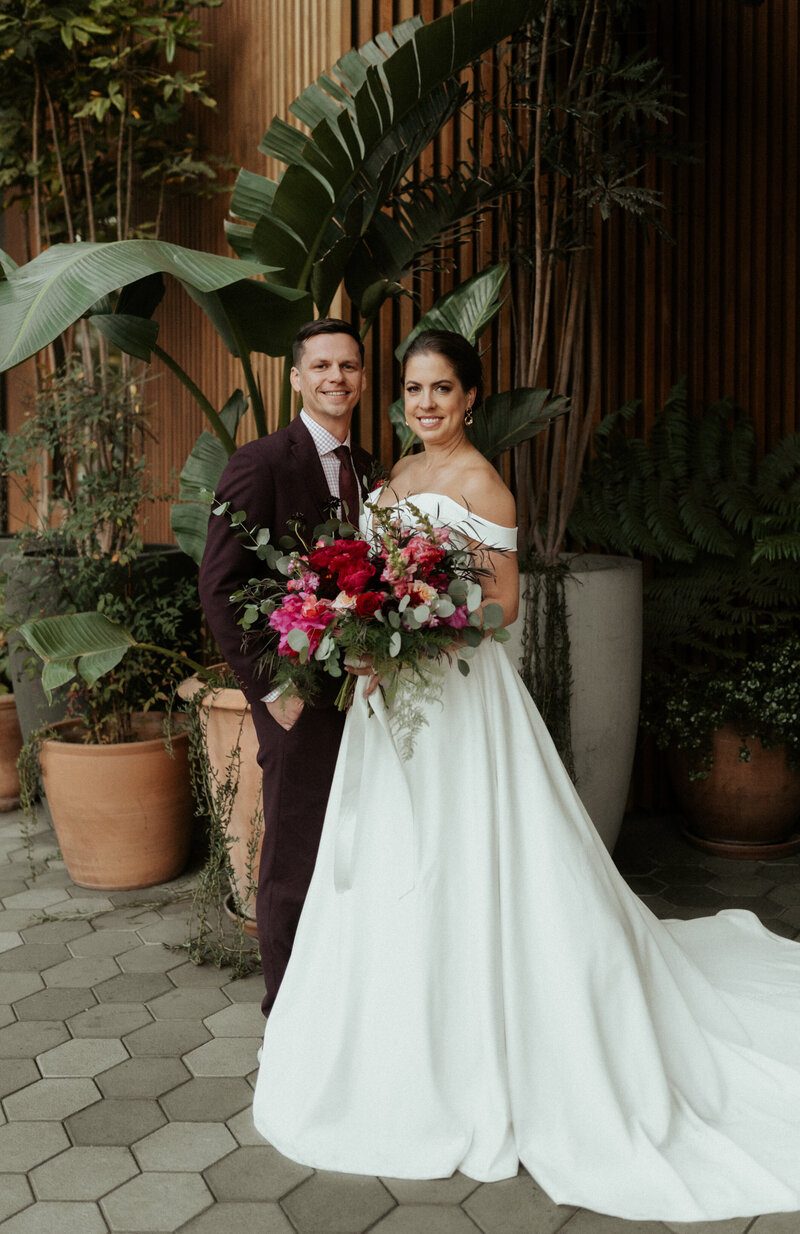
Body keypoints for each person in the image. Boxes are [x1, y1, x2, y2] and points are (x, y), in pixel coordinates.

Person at [252, 330, 800, 1222]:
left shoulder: (483, 484)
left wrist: (430, 615)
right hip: (390, 705)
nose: (426, 404)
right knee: (387, 865)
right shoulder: (391, 474)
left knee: (466, 860)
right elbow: (367, 573)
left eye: (442, 390)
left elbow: (505, 598)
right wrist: (361, 626)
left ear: (471, 398)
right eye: (414, 390)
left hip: (462, 701)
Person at [198, 318, 373, 1018]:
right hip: (295, 696)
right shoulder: (261, 462)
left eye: (350, 366)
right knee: (295, 852)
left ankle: (342, 994)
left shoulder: (371, 468)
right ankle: (287, 1012)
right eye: (323, 366)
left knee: (355, 843)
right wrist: (271, 687)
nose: (337, 377)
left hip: (365, 693)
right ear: (296, 378)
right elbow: (219, 585)